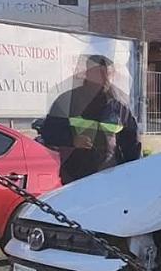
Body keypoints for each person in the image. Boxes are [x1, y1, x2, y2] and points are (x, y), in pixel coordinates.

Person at [41, 54, 141, 184]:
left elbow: (132, 142)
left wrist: (133, 173)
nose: (105, 76)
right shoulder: (68, 100)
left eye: (108, 72)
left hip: (111, 177)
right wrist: (72, 140)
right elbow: (49, 132)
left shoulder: (119, 105)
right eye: (99, 72)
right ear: (88, 73)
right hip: (76, 177)